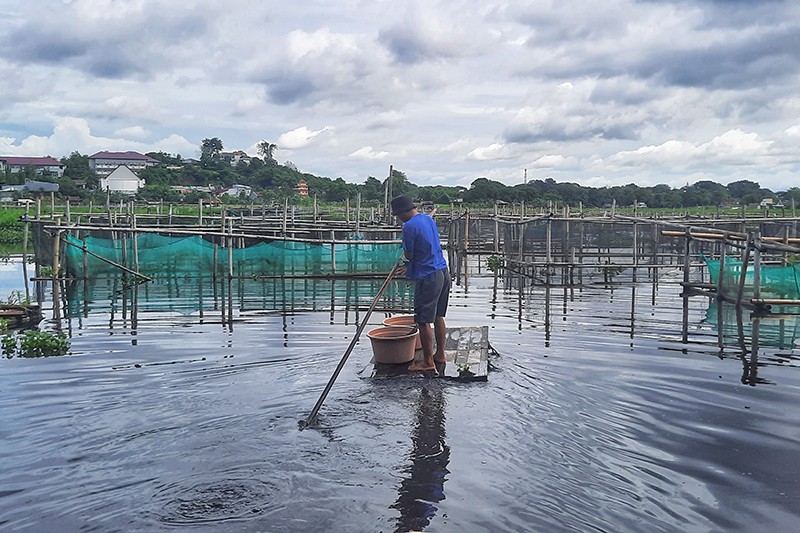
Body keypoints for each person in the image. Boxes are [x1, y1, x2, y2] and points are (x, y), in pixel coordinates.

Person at [391, 195, 450, 373]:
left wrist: (408, 262)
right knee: (439, 316)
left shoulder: (408, 226)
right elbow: (427, 247)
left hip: (428, 276)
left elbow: (410, 254)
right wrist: (410, 265)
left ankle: (427, 362)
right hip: (443, 271)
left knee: (423, 321)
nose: (398, 218)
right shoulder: (427, 218)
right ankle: (440, 354)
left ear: (402, 212)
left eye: (398, 214)